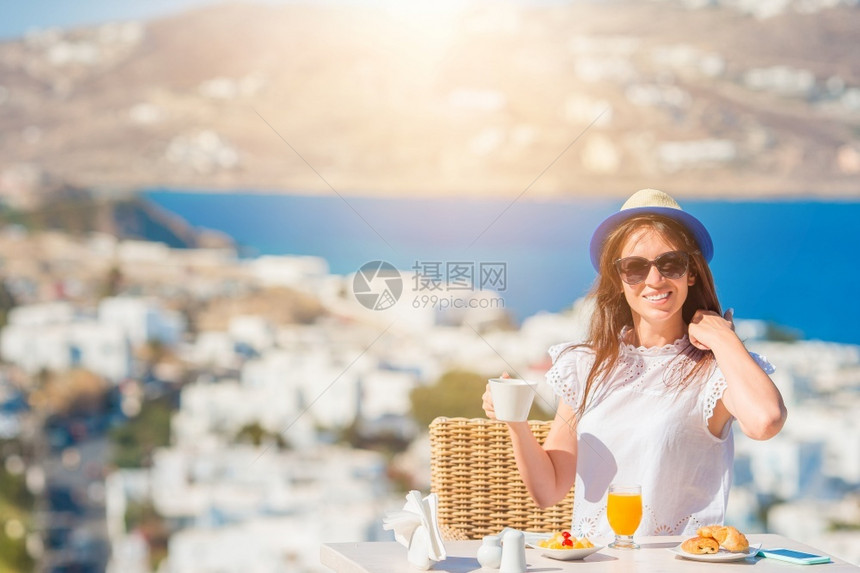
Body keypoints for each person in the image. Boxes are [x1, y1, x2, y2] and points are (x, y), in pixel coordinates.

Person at [481, 189, 787, 538]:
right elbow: (548, 490)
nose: (655, 280)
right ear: (619, 280)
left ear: (692, 273)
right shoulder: (586, 365)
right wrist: (516, 423)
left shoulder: (713, 370)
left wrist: (722, 337)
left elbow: (766, 421)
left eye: (671, 263)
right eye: (635, 268)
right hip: (594, 562)